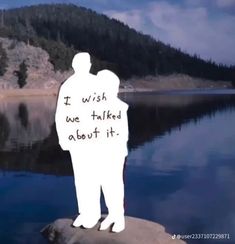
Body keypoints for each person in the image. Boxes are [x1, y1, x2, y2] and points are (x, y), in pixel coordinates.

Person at [55, 53, 129, 232]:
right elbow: (61, 115)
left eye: (86, 63)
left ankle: (111, 215)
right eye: (79, 63)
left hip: (100, 143)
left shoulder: (97, 82)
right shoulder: (68, 86)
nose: (84, 66)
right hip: (79, 142)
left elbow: (109, 107)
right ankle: (87, 213)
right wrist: (64, 139)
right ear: (74, 65)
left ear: (89, 64)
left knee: (102, 178)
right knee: (82, 179)